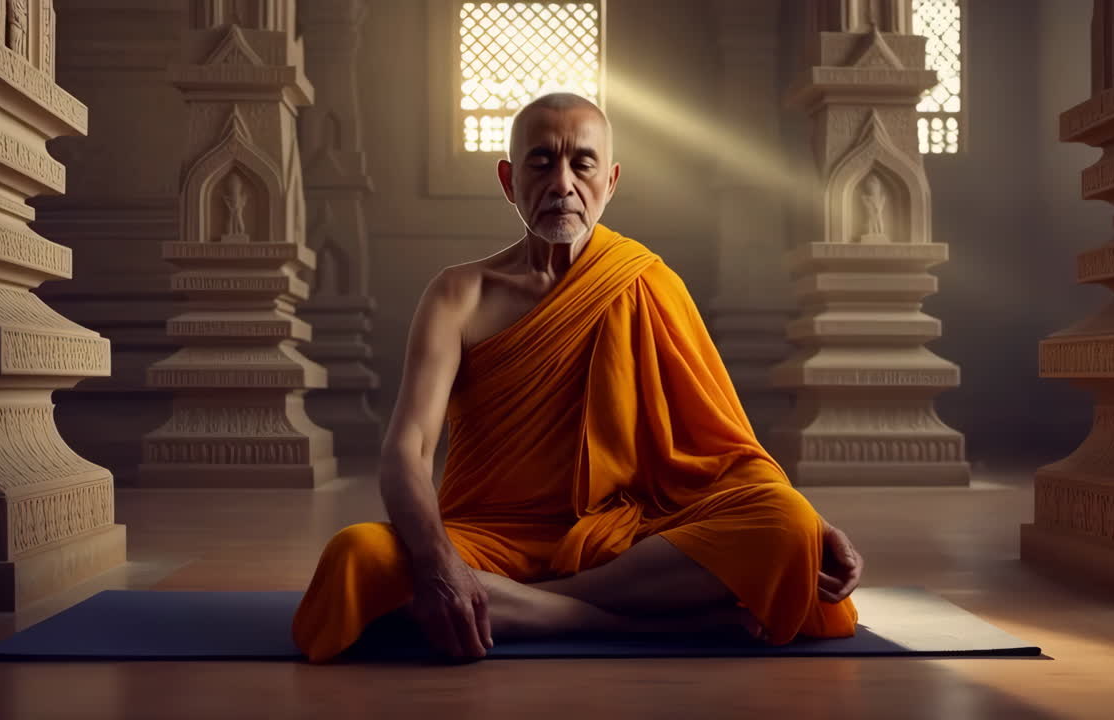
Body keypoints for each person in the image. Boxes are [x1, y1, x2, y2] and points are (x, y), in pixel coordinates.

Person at [292, 93, 863, 663]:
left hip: (627, 540)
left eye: (582, 164)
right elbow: (407, 450)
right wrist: (441, 562)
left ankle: (529, 607)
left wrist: (812, 522)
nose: (562, 184)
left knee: (783, 525)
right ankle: (630, 622)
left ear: (610, 181)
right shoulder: (459, 295)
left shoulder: (646, 283)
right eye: (541, 162)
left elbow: (725, 445)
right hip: (491, 539)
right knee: (356, 557)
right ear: (508, 179)